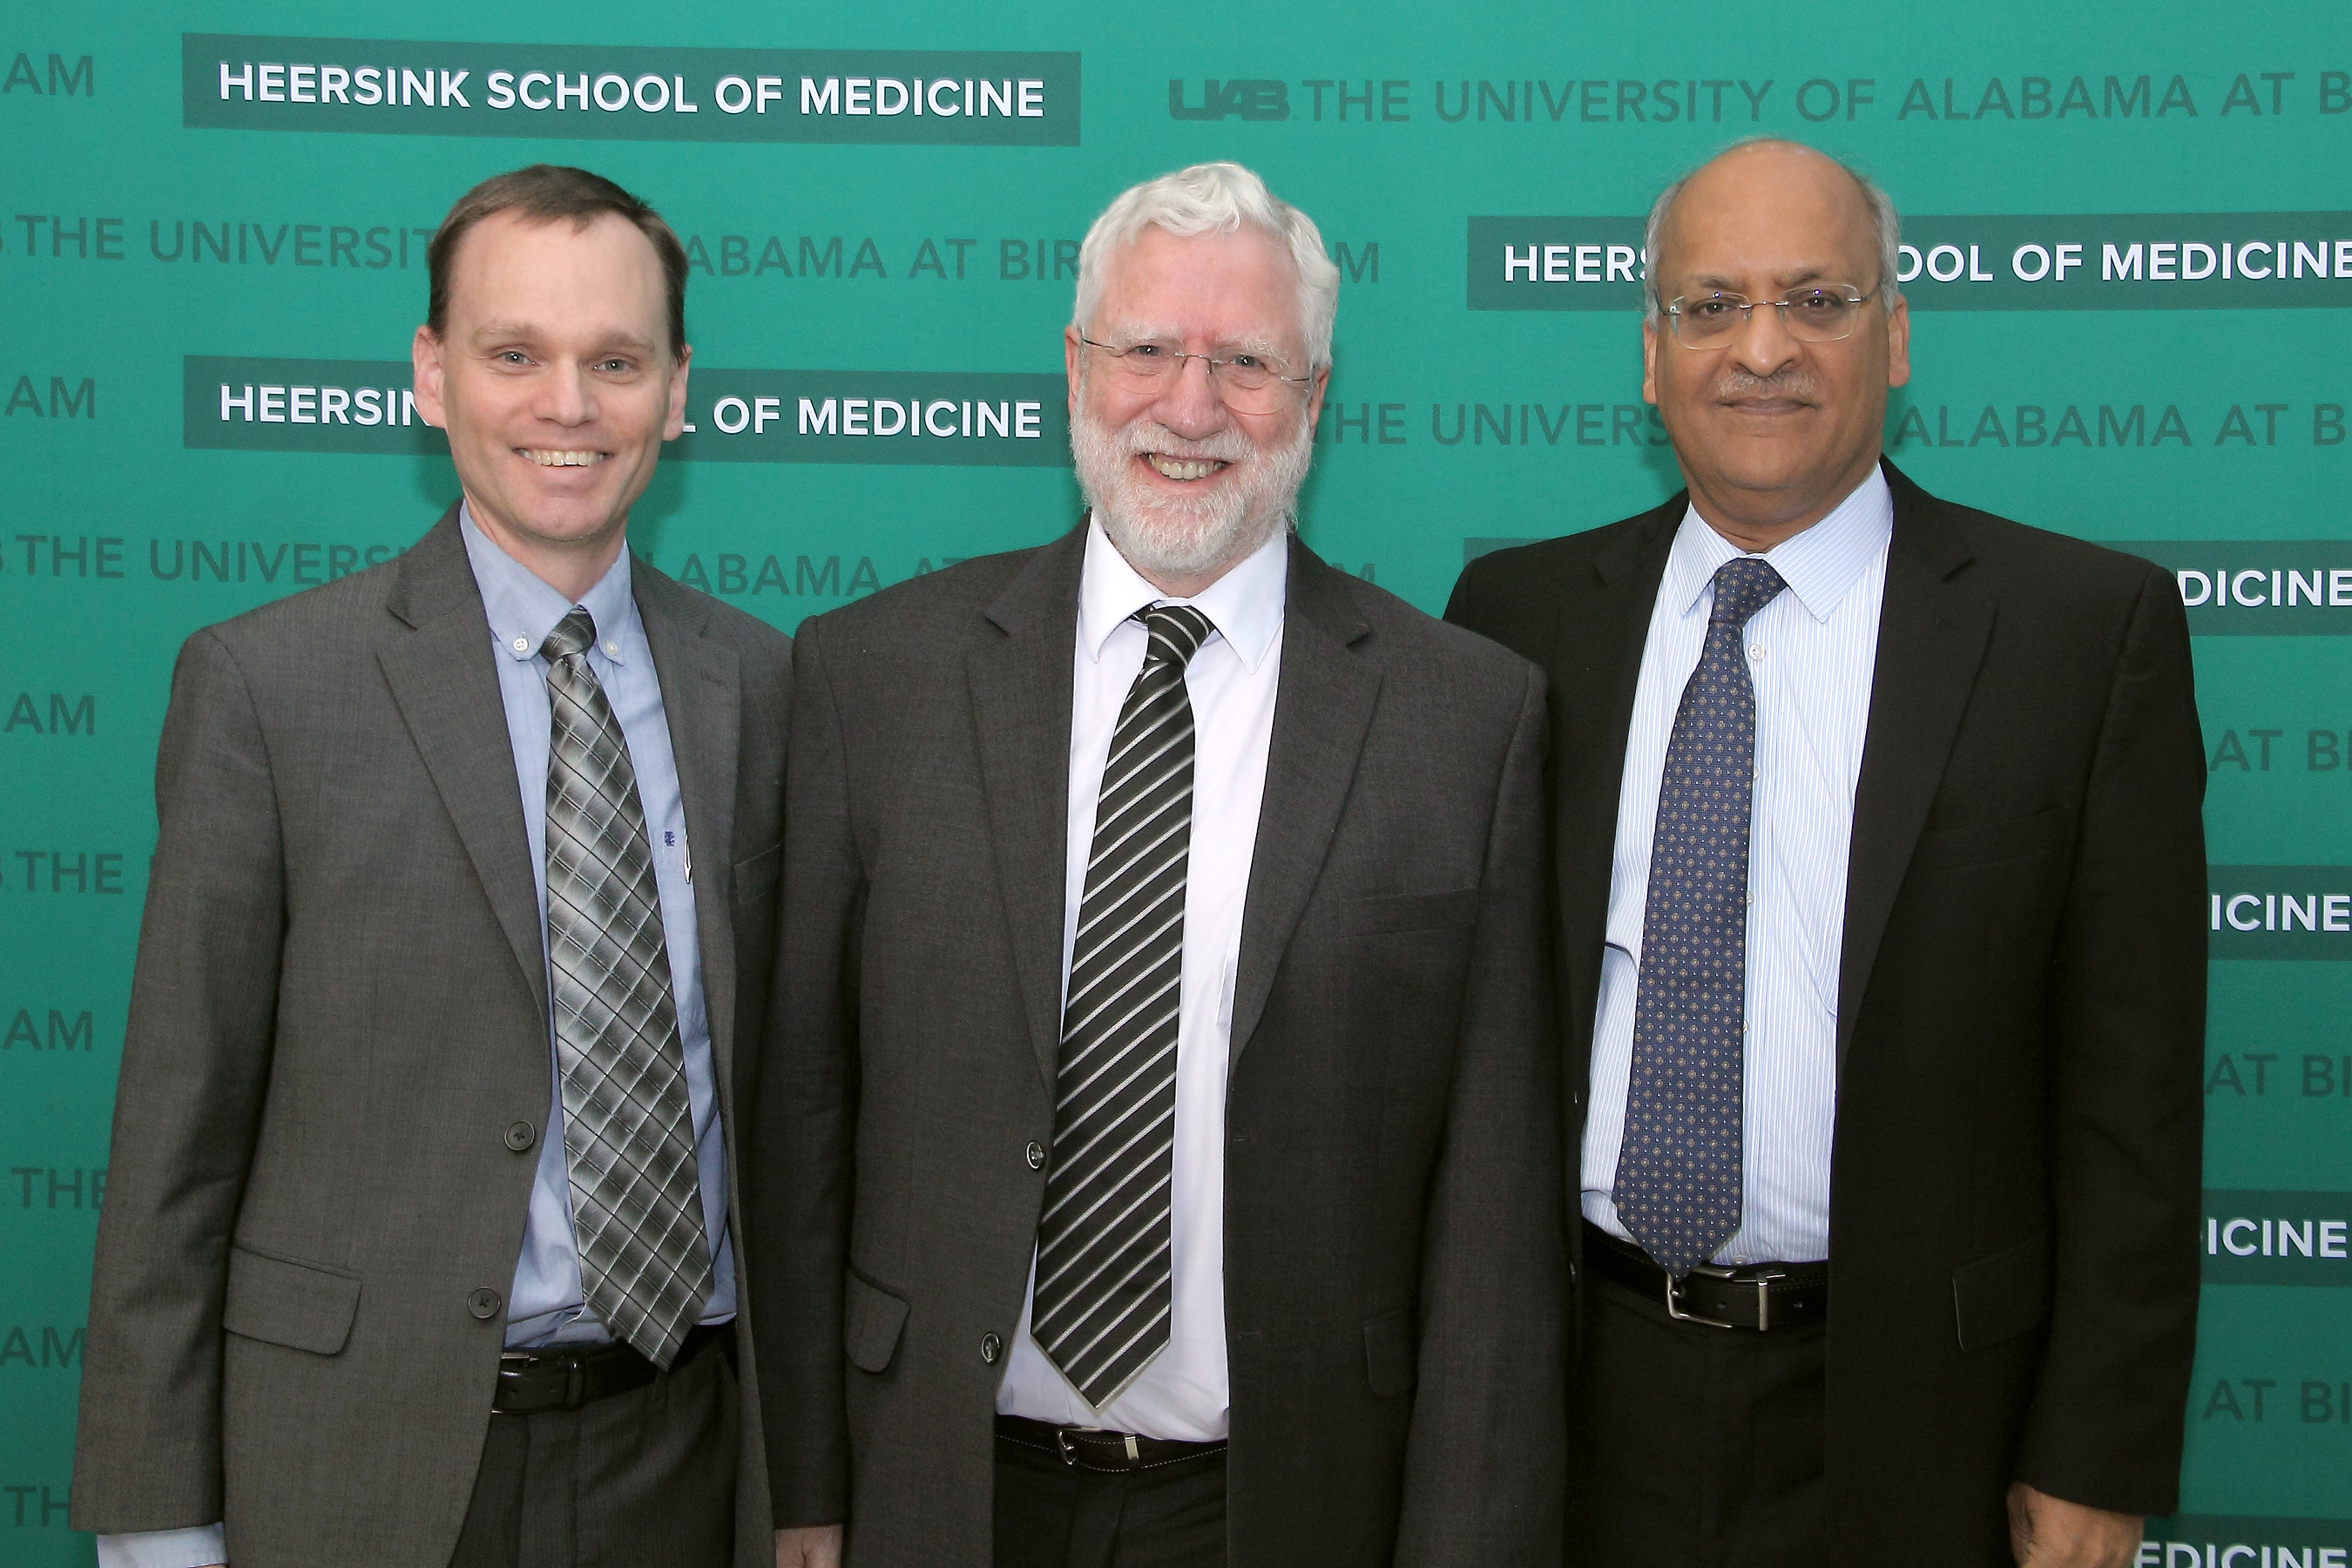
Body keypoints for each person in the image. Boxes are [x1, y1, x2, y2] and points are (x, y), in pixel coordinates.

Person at [751, 160, 1565, 1568]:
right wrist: (805, 1495)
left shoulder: (1465, 718)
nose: (1189, 408)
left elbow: (1494, 1217)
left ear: (1314, 397)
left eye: (1245, 361)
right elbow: (805, 1128)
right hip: (941, 1491)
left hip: (1287, 1507)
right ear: (1077, 366)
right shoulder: (872, 679)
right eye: (1147, 350)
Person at [1447, 138, 2205, 1568]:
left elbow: (2137, 1102)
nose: (1763, 350)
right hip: (1579, 1396)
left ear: (1898, 334)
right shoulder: (1515, 622)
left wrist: (2095, 1453)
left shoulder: (2079, 636)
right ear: (1652, 356)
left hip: (1926, 1418)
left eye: (1818, 299)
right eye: (1711, 305)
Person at [71, 165, 817, 1568]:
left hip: (686, 1453)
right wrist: (158, 1523)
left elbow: (796, 1122)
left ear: (677, 390)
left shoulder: (764, 689)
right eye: (514, 354)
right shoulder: (268, 688)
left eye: (616, 360)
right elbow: (175, 1146)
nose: (567, 405)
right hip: (358, 1464)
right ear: (430, 374)